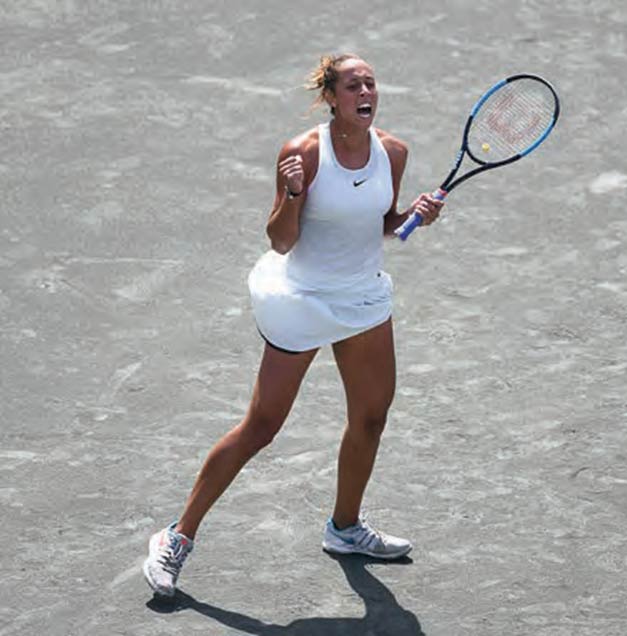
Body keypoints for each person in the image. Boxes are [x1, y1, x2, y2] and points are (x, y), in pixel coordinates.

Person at [143, 53, 444, 597]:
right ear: (331, 97)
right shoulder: (303, 152)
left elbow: (379, 225)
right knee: (262, 426)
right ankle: (176, 537)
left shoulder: (393, 152)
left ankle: (345, 529)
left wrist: (413, 218)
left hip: (361, 298)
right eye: (353, 85)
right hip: (302, 298)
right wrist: (296, 193)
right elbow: (282, 240)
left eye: (371, 83)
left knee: (371, 418)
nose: (365, 91)